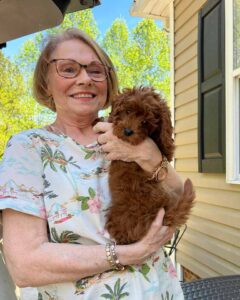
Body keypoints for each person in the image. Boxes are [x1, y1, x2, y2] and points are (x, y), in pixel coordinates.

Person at [0, 28, 184, 299]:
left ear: (108, 83)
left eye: (96, 71)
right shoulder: (28, 148)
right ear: (45, 83)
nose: (85, 78)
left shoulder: (132, 132)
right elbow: (25, 265)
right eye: (69, 69)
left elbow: (179, 195)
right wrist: (131, 253)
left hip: (159, 290)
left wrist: (149, 156)